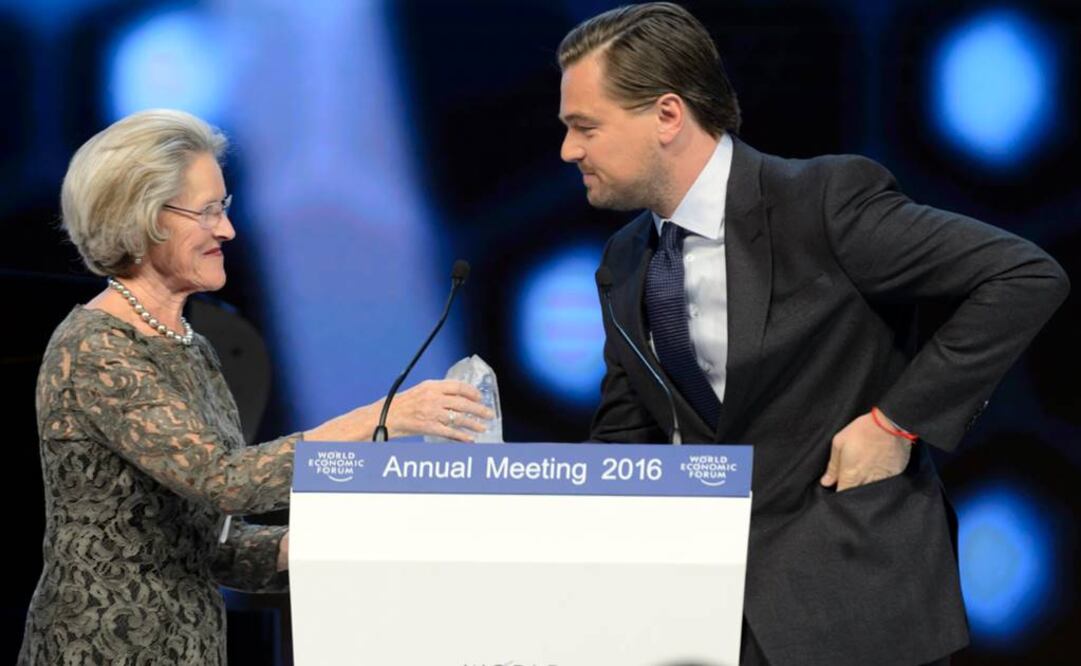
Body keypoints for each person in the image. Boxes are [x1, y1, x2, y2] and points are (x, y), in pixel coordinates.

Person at [557, 4, 1069, 665]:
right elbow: (628, 440)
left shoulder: (821, 202)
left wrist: (895, 422)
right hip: (707, 627)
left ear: (666, 116)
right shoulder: (623, 261)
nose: (568, 150)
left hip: (853, 612)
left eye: (584, 127)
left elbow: (1022, 276)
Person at [17, 109, 493, 665]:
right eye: (208, 211)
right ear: (143, 217)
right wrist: (386, 416)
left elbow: (208, 544)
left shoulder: (190, 347)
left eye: (225, 208)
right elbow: (226, 482)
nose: (227, 230)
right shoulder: (98, 348)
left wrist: (328, 542)